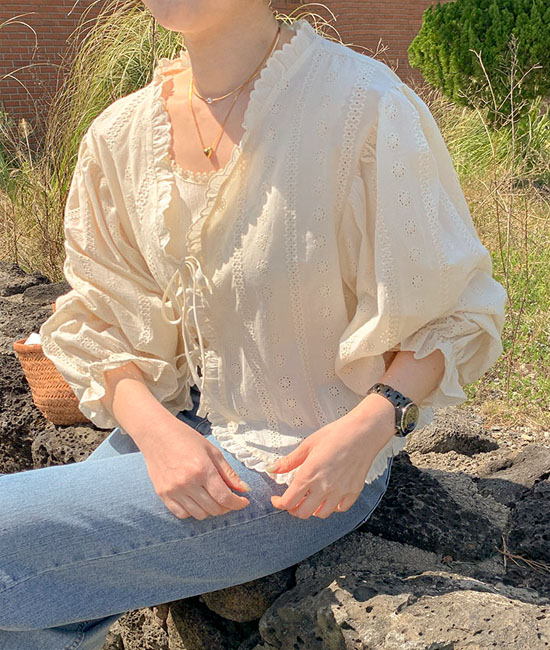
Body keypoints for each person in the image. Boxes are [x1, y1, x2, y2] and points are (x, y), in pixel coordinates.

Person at [0, 1, 507, 648]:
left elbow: (457, 310)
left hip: (298, 470)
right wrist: (157, 434)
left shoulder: (363, 106)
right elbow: (97, 319)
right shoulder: (120, 135)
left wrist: (371, 426)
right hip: (169, 433)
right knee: (40, 619)